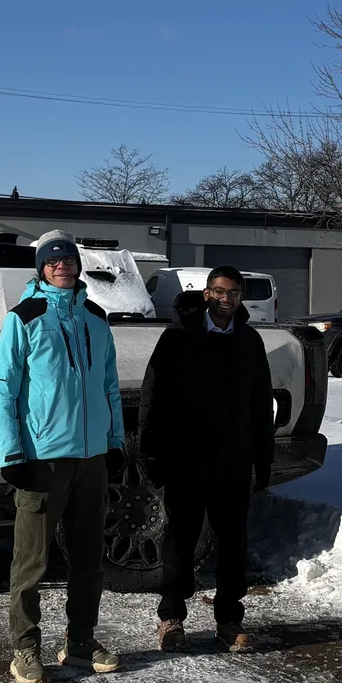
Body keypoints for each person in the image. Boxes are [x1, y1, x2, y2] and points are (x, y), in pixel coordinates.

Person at [0, 231, 126, 683]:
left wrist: (115, 442)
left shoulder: (95, 319)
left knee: (89, 559)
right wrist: (11, 452)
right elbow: (2, 388)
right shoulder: (25, 317)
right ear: (42, 269)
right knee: (32, 561)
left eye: (68, 259)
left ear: (78, 265)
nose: (62, 266)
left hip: (91, 459)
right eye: (52, 261)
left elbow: (109, 385)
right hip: (43, 460)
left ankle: (80, 641)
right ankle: (25, 648)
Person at [138, 265, 274, 653]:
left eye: (233, 293)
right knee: (180, 540)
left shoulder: (249, 341)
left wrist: (263, 457)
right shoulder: (178, 337)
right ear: (206, 294)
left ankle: (229, 620)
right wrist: (150, 450)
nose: (226, 299)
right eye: (219, 291)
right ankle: (171, 618)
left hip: (233, 462)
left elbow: (261, 403)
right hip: (186, 459)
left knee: (233, 544)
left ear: (240, 297)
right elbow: (153, 395)